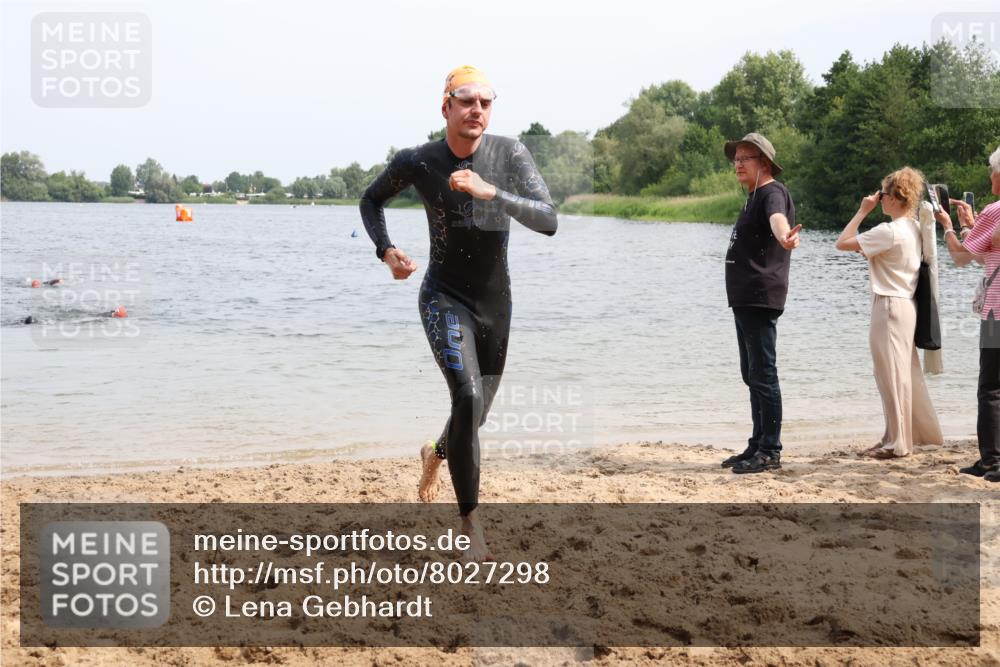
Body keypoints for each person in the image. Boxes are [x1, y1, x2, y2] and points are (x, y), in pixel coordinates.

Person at [359, 65, 558, 559]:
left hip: (497, 304)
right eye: (466, 101)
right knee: (467, 396)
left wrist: (493, 192)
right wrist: (386, 251)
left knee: (476, 412)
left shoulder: (508, 154)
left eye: (486, 102)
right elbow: (371, 199)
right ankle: (471, 524)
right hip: (444, 297)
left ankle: (435, 453)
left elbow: (549, 219)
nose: (477, 110)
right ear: (444, 106)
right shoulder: (419, 161)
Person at [834, 167, 943, 458]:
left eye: (883, 194)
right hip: (907, 305)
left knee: (890, 376)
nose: (879, 199)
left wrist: (861, 211)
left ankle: (898, 443)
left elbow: (842, 242)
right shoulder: (914, 228)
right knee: (902, 374)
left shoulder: (889, 231)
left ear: (896, 197)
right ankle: (897, 436)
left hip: (889, 306)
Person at [721, 133, 801, 474]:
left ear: (764, 164)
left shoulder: (772, 192)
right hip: (745, 298)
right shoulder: (754, 195)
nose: (738, 163)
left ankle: (770, 450)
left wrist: (784, 236)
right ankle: (757, 443)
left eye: (746, 158)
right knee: (751, 374)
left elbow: (778, 219)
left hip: (759, 296)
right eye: (736, 158)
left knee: (763, 375)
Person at [933, 145, 1000, 482]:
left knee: (991, 388)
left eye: (992, 170)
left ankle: (992, 461)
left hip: (997, 314)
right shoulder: (990, 216)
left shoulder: (996, 210)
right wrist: (970, 226)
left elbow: (960, 258)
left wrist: (945, 225)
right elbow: (983, 252)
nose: (990, 176)